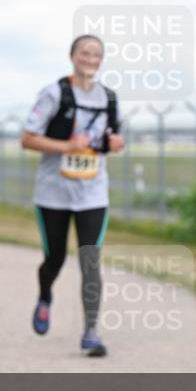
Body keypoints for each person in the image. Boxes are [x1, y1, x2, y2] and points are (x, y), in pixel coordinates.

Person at [20, 35, 125, 358]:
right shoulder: (54, 93)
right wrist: (66, 146)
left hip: (93, 193)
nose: (90, 59)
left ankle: (91, 332)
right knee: (55, 258)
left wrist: (116, 144)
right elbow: (27, 139)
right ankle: (45, 294)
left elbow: (113, 136)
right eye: (84, 53)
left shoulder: (109, 98)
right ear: (72, 56)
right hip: (53, 192)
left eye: (96, 55)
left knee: (90, 260)